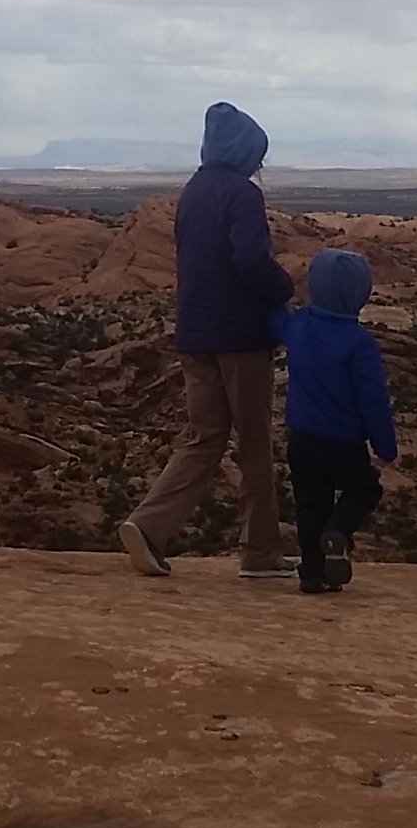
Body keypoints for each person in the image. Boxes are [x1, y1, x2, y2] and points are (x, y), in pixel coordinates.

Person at [117, 102, 297, 580]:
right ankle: (260, 553)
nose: (260, 166)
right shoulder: (242, 195)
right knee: (254, 442)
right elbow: (250, 261)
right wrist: (285, 288)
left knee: (204, 438)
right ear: (244, 152)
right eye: (258, 155)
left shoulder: (194, 191)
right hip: (239, 337)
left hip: (194, 333)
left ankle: (147, 525)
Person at [272, 248, 399, 595]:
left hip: (302, 439)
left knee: (310, 503)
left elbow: (273, 316)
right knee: (364, 488)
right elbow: (373, 401)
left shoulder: (297, 325)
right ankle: (339, 532)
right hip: (343, 443)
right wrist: (385, 446)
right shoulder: (358, 342)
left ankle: (312, 574)